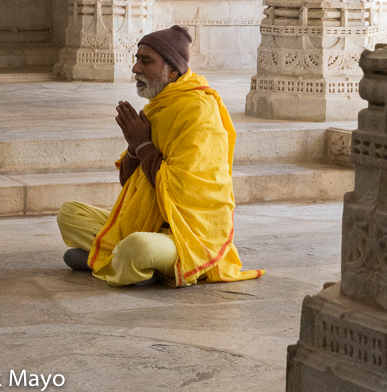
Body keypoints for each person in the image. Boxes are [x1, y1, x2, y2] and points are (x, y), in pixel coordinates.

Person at [57, 25, 264, 287]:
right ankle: (127, 260)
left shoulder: (199, 112)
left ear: (173, 70)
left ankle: (123, 259)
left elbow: (184, 190)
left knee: (137, 247)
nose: (135, 69)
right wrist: (135, 147)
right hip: (148, 224)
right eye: (137, 59)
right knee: (69, 214)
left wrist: (143, 145)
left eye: (146, 61)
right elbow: (128, 182)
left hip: (188, 235)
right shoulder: (160, 106)